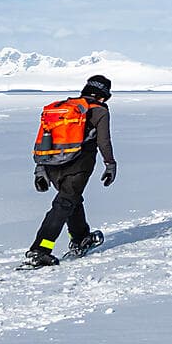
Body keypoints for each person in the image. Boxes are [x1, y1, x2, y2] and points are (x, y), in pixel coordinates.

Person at [22, 74, 118, 268]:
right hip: (78, 166)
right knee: (64, 203)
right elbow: (103, 141)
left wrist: (40, 169)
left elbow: (43, 139)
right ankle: (40, 249)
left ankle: (81, 237)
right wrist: (110, 164)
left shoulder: (63, 108)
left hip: (51, 164)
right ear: (104, 96)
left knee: (71, 199)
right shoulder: (99, 111)